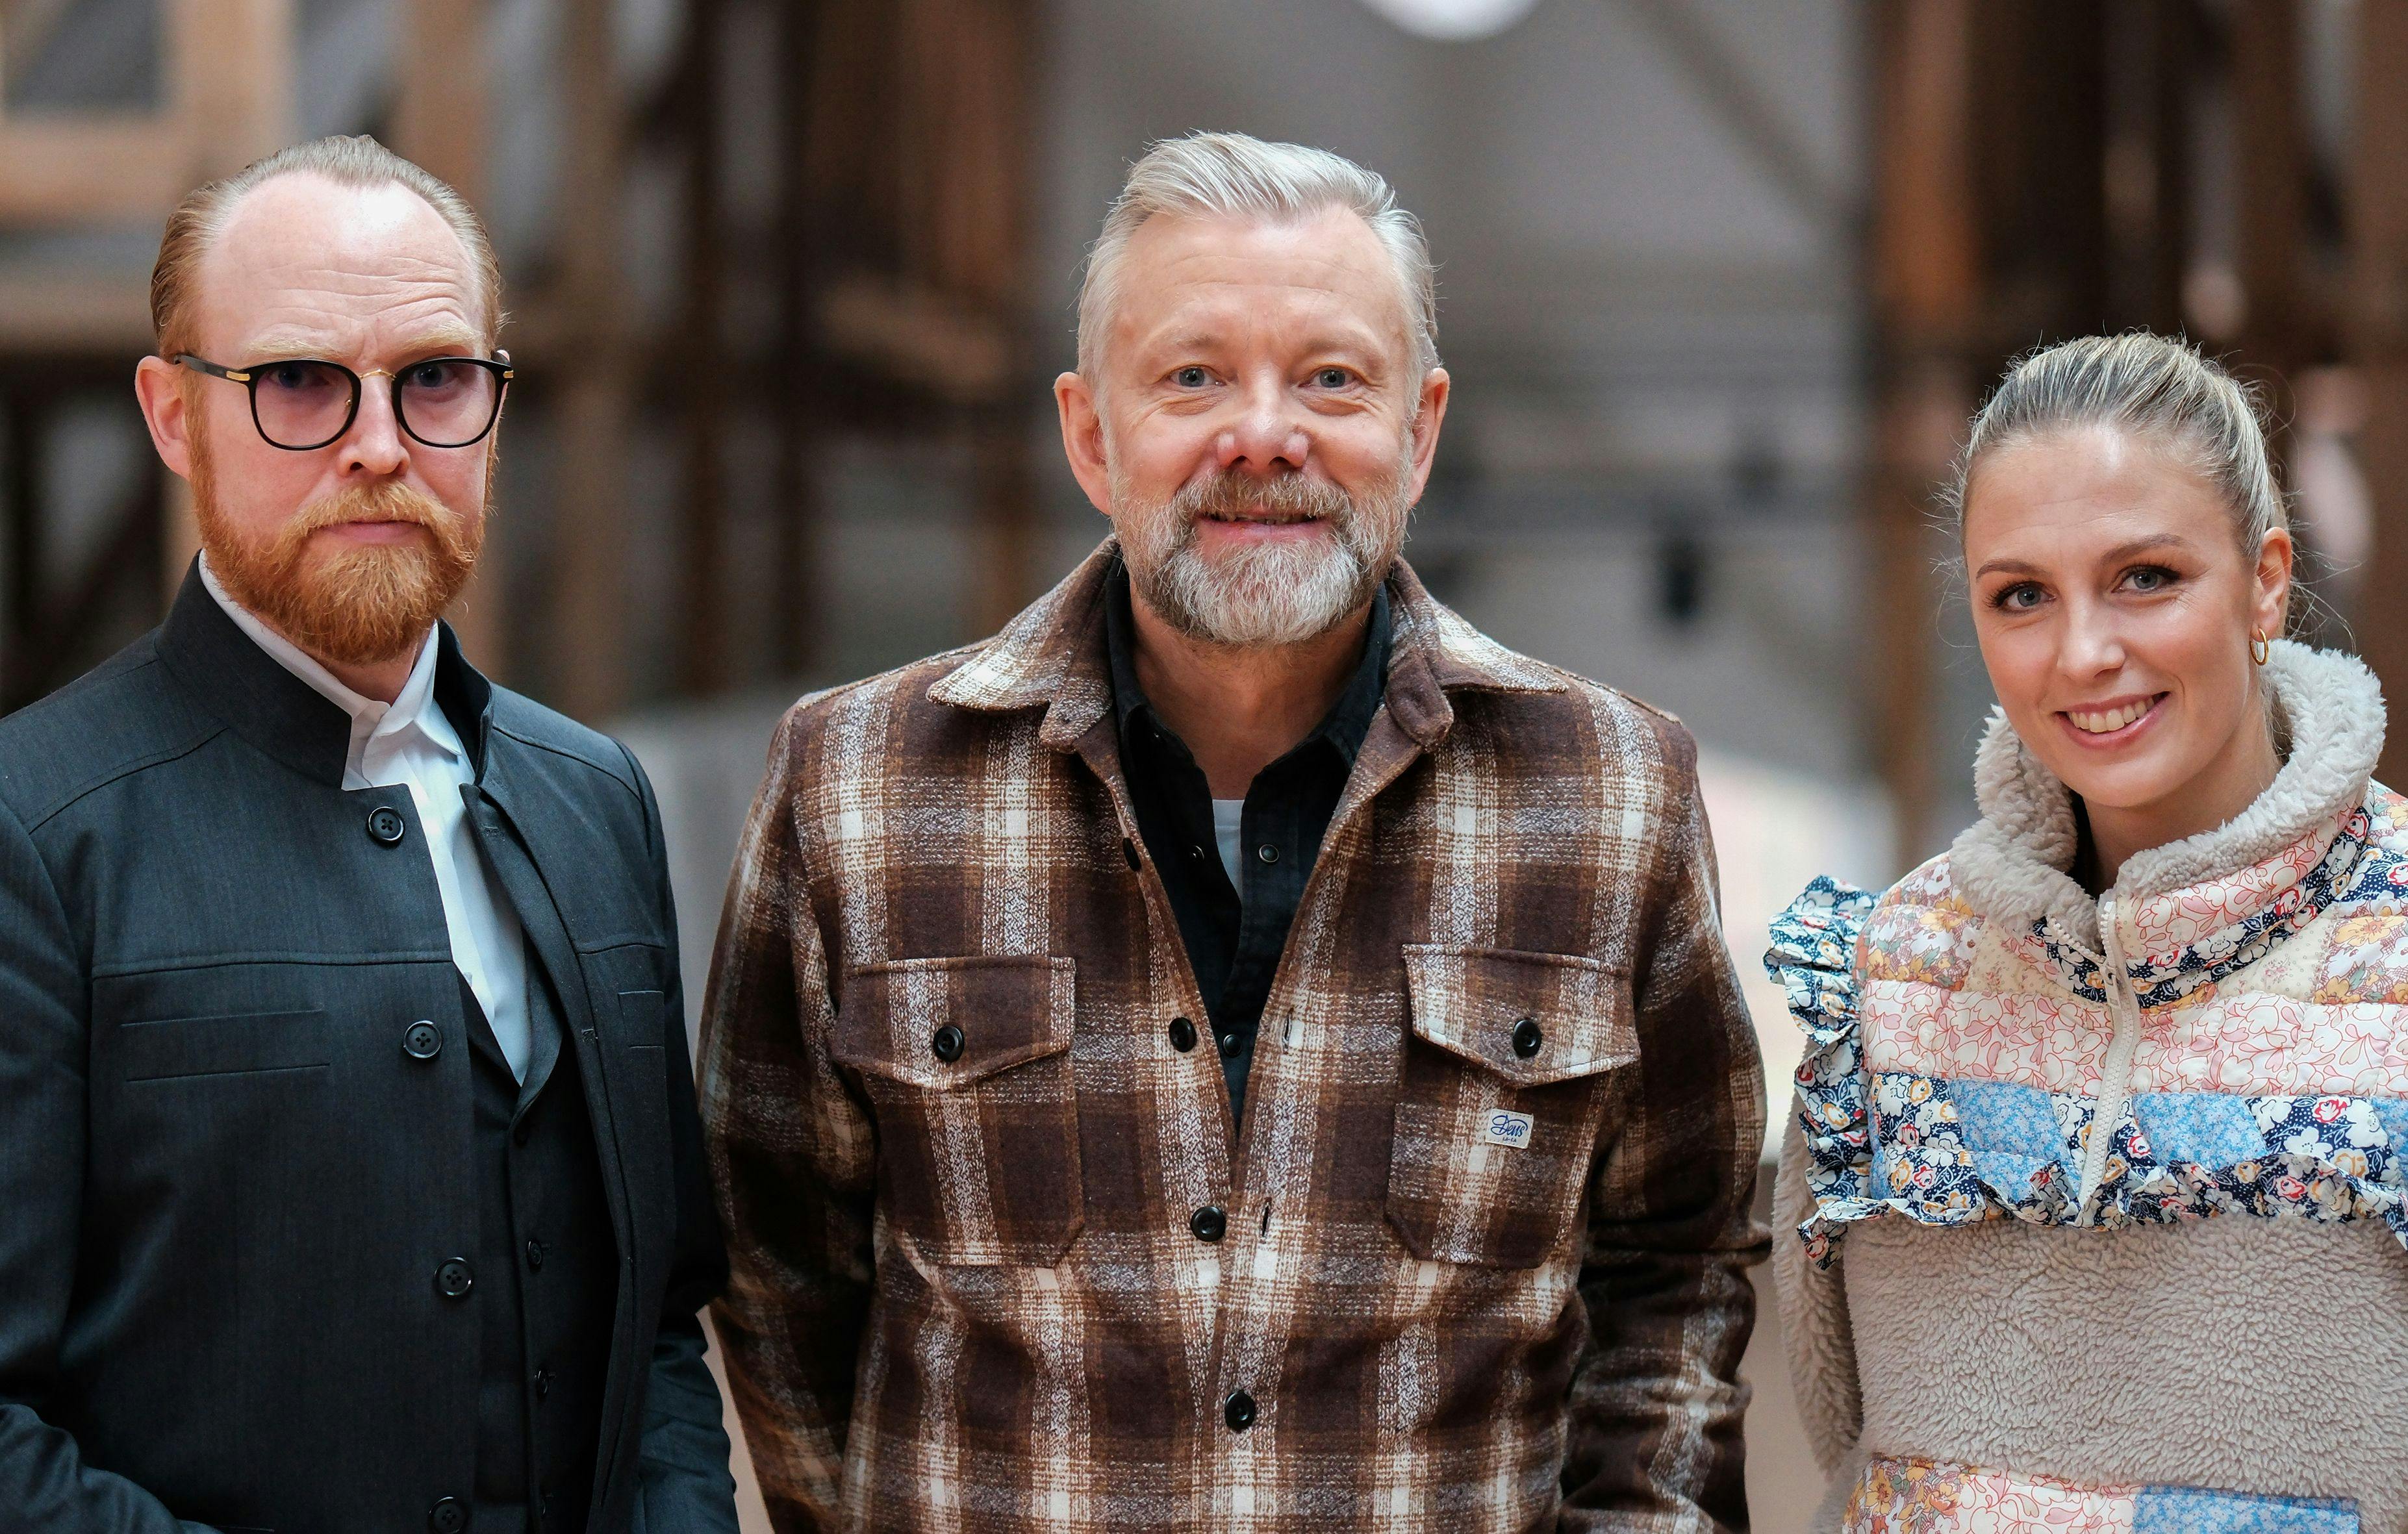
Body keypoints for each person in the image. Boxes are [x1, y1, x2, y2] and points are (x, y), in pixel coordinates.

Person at [702, 130, 1767, 1531]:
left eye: (1331, 378)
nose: (1263, 434)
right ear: (1091, 433)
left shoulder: (1608, 791)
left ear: (1423, 429)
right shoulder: (860, 789)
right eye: (1194, 376)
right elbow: (774, 1267)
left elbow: (1679, 1256)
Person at [0, 136, 737, 1532]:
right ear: (173, 416)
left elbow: (655, 1329)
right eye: (297, 384)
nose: (382, 444)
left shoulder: (596, 797)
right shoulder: (32, 831)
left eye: (437, 379)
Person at [1769, 333, 2408, 1529]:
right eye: (2022, 595)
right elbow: (1842, 1424)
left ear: (2267, 579)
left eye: (2146, 577)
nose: (2082, 653)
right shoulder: (1888, 977)